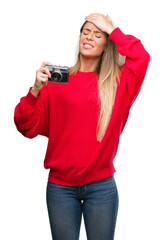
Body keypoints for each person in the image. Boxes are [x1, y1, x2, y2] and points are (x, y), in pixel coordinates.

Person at [14, 13, 150, 240]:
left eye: (98, 35)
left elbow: (141, 57)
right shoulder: (60, 78)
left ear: (107, 45)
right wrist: (36, 89)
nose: (89, 37)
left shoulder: (118, 82)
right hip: (61, 188)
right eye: (86, 32)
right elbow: (26, 126)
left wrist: (112, 29)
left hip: (102, 188)